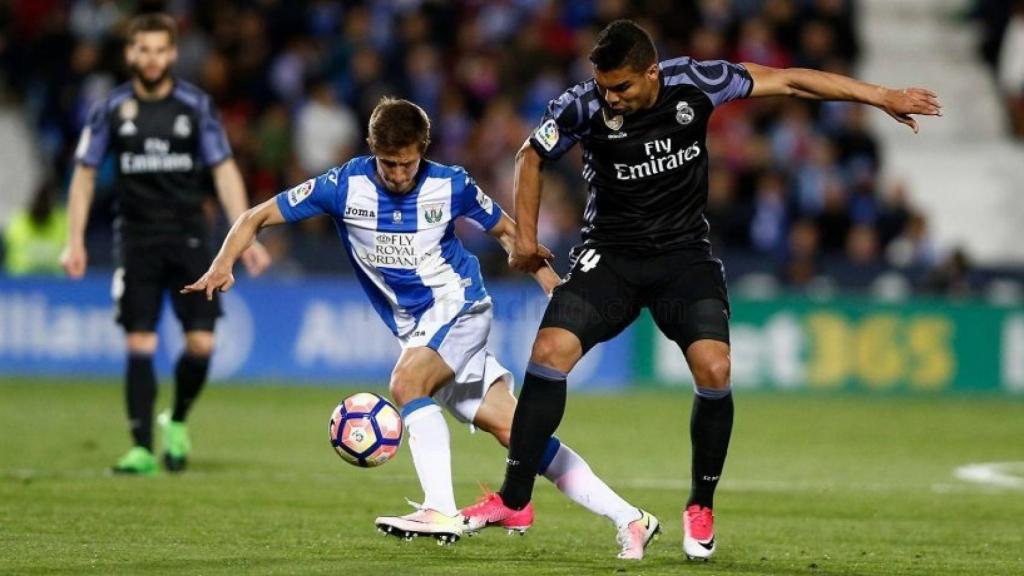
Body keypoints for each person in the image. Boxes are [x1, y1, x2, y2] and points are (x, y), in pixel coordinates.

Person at [461, 19, 942, 561]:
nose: (611, 99)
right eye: (603, 87)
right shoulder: (581, 106)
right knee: (548, 353)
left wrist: (881, 97)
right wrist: (526, 238)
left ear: (651, 72)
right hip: (610, 257)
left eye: (622, 87)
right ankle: (515, 498)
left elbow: (790, 82)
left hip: (683, 257)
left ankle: (700, 505)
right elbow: (531, 154)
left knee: (715, 368)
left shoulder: (698, 81)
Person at [183, 96, 661, 559]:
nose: (397, 174)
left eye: (407, 164)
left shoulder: (451, 185)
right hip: (418, 329)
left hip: (461, 306)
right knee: (521, 434)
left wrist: (551, 284)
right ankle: (631, 517)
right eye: (388, 163)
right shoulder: (343, 186)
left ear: (423, 152)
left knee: (407, 381)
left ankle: (440, 509)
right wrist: (224, 262)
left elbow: (509, 232)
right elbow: (255, 216)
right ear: (374, 152)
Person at [61, 13, 271, 475]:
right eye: (144, 50)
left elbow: (223, 169)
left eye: (161, 50)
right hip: (135, 236)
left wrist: (246, 235)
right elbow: (84, 174)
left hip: (191, 234)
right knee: (140, 340)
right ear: (131, 54)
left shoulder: (194, 107)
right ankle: (140, 447)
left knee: (200, 344)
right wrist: (73, 240)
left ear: (172, 54)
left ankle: (176, 420)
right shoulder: (111, 109)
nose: (153, 59)